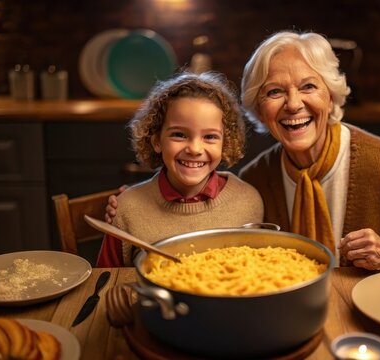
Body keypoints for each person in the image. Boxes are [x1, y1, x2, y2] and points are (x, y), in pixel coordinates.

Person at [106, 31, 380, 270]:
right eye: (274, 92)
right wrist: (136, 203)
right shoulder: (256, 180)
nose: (293, 104)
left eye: (308, 87)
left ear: (331, 94)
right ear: (258, 109)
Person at [96, 71, 264, 267]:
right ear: (157, 141)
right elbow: (105, 282)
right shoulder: (126, 210)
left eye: (209, 137)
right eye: (179, 135)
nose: (194, 149)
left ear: (225, 143)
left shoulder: (248, 202)